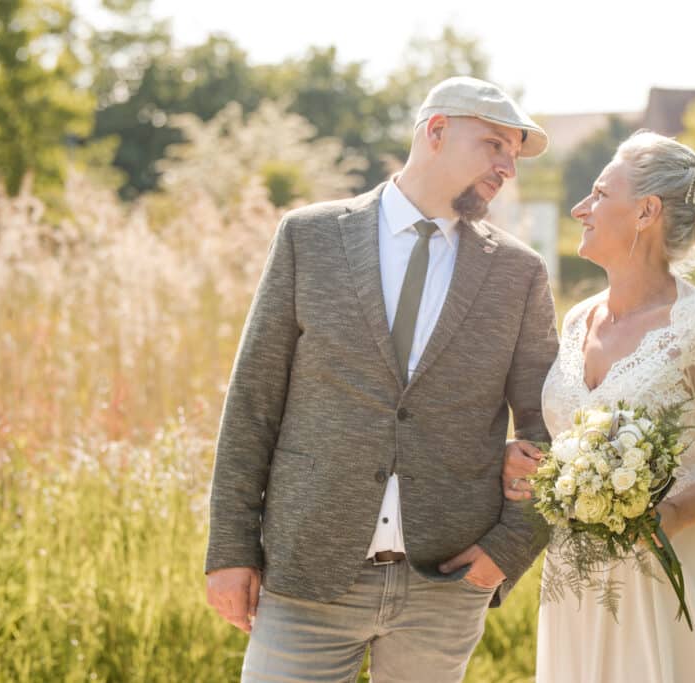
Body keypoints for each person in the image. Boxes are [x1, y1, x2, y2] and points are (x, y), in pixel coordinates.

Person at [205, 76, 559, 683]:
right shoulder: (309, 238)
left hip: (445, 585)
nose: (509, 168)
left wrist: (507, 552)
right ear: (437, 131)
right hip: (307, 571)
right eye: (496, 145)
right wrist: (231, 550)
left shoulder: (519, 274)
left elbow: (547, 425)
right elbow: (253, 403)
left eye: (514, 154)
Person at [503, 130, 695, 682]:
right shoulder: (576, 321)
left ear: (646, 212)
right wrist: (538, 467)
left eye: (598, 193)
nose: (579, 208)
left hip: (667, 569)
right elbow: (567, 438)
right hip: (576, 571)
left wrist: (672, 515)